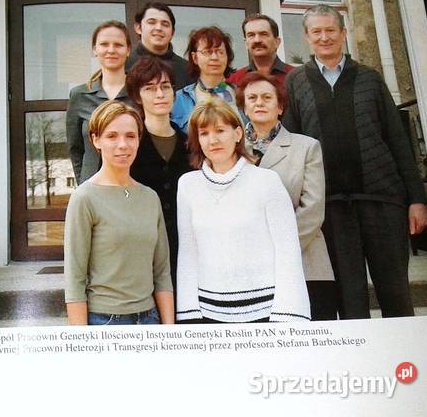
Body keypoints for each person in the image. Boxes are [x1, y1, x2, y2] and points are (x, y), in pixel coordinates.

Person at [282, 4, 427, 319]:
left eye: (330, 30)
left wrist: (416, 199)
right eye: (317, 31)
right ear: (307, 37)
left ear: (343, 34)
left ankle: (401, 360)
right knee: (350, 302)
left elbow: (399, 142)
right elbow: (292, 148)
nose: (325, 37)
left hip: (382, 202)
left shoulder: (370, 79)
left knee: (396, 295)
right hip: (331, 209)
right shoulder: (296, 82)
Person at [176, 99, 310, 323]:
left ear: (238, 133)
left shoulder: (266, 181)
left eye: (220, 130)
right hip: (209, 314)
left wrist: (287, 314)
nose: (213, 140)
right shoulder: (188, 185)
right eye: (204, 133)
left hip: (266, 312)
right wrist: (189, 315)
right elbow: (189, 253)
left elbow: (287, 250)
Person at [237, 72, 337, 320]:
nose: (259, 102)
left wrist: (278, 250)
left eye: (267, 97)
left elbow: (312, 210)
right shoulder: (232, 151)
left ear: (280, 107)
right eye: (252, 98)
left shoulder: (306, 147)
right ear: (244, 108)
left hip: (304, 262)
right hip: (248, 267)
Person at [64, 101, 174, 325]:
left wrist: (168, 331)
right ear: (96, 140)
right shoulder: (85, 198)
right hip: (104, 321)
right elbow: (74, 280)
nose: (123, 144)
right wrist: (79, 345)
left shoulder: (150, 198)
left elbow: (162, 273)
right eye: (112, 136)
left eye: (130, 136)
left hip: (150, 319)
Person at [125, 57, 191, 289]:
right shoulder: (129, 146)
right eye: (150, 89)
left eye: (165, 87)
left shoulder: (190, 144)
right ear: (137, 96)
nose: (160, 94)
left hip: (185, 250)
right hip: (141, 252)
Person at [65, 20, 137, 185]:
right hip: (92, 187)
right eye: (104, 44)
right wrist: (83, 184)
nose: (111, 50)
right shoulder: (79, 95)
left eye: (118, 45)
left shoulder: (139, 94)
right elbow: (75, 149)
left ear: (128, 50)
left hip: (131, 185)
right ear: (95, 50)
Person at [170, 26, 240, 131]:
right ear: (194, 58)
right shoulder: (180, 99)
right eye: (207, 52)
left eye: (220, 52)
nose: (214, 57)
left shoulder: (241, 95)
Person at [125, 2, 195, 89]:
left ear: (172, 33)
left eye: (165, 24)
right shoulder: (124, 65)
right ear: (138, 28)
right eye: (151, 22)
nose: (158, 28)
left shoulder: (187, 70)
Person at [227, 14, 292, 88]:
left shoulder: (296, 78)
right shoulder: (234, 81)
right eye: (251, 35)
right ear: (246, 43)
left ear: (277, 42)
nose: (257, 40)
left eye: (263, 34)